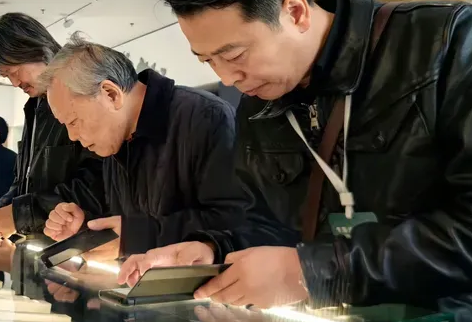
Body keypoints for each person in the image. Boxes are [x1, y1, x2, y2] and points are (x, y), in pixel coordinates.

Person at [116, 0, 472, 322]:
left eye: (235, 54)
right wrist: (211, 248)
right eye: (207, 61)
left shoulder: (443, 42)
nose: (227, 78)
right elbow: (266, 225)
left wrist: (311, 271)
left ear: (295, 11)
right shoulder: (258, 105)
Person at [39, 35, 286, 258]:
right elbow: (126, 221)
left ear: (111, 94)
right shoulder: (116, 140)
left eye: (74, 121)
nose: (72, 136)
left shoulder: (206, 117)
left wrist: (139, 235)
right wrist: (86, 227)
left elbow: (238, 221)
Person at [0, 13, 104, 238]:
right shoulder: (34, 106)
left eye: (14, 72)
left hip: (80, 241)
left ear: (36, 50)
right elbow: (25, 182)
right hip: (42, 240)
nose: (15, 83)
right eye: (7, 76)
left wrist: (17, 215)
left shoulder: (85, 90)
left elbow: (97, 183)